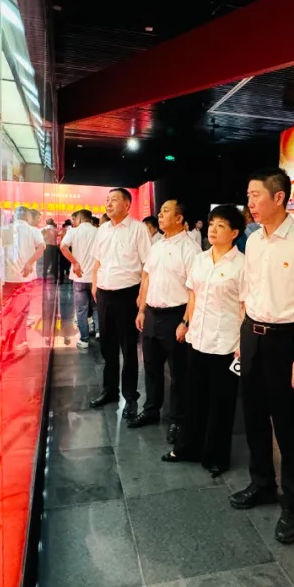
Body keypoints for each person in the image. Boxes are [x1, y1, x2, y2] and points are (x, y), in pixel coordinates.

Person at [233, 167, 294, 544]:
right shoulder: (254, 240)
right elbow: (249, 291)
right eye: (248, 196)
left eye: (255, 195)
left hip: (286, 340)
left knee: (288, 424)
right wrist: (243, 335)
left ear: (279, 197)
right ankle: (261, 483)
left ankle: (292, 502)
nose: (250, 203)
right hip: (252, 335)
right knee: (254, 417)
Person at [163, 205, 245, 475]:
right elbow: (193, 296)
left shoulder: (242, 265)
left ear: (234, 233)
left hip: (226, 344)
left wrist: (241, 344)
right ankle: (187, 447)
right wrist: (185, 322)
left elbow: (245, 307)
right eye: (211, 224)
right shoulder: (200, 259)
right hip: (197, 338)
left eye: (221, 226)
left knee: (220, 403)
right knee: (193, 398)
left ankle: (216, 457)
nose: (213, 230)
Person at [134, 200, 199, 439]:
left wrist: (186, 322)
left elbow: (194, 290)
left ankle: (178, 420)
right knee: (151, 367)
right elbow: (147, 278)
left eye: (165, 211)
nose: (160, 215)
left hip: (176, 315)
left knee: (178, 372)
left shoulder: (190, 249)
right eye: (160, 211)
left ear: (179, 218)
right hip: (152, 313)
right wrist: (142, 310)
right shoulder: (157, 245)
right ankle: (151, 409)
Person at [88, 188, 152, 414]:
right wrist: (95, 285)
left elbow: (147, 266)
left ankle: (130, 397)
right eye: (107, 200)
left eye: (114, 200)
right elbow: (97, 261)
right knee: (107, 346)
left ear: (127, 204)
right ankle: (109, 390)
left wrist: (141, 297)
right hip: (104, 294)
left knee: (128, 348)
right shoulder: (103, 229)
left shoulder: (138, 229)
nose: (109, 203)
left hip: (128, 294)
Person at [2, 206, 46, 357]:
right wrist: (29, 263)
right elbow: (41, 248)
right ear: (28, 217)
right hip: (26, 278)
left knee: (8, 310)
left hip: (8, 277)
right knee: (22, 311)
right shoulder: (33, 231)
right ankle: (19, 341)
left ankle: (7, 337)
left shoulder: (7, 229)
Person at [60, 209, 98, 349]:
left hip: (79, 276)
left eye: (75, 220)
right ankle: (99, 331)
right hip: (96, 277)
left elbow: (63, 247)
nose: (74, 222)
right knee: (96, 307)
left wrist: (75, 263)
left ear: (80, 219)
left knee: (81, 310)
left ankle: (84, 339)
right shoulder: (98, 232)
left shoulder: (73, 232)